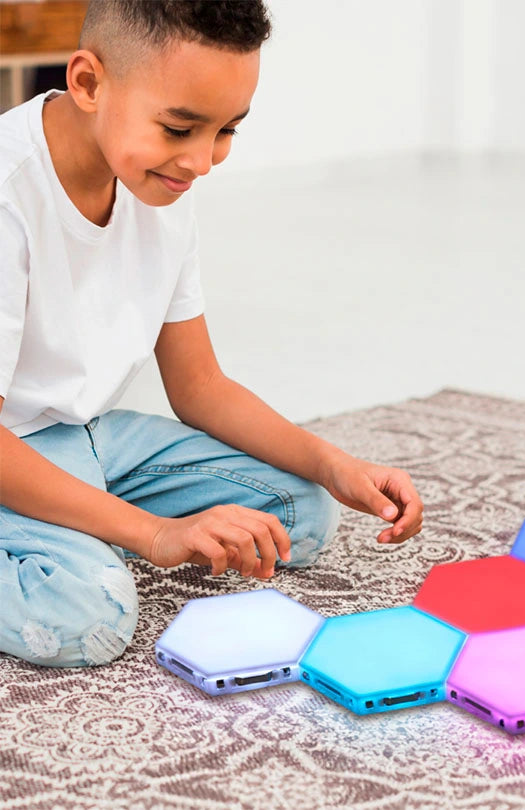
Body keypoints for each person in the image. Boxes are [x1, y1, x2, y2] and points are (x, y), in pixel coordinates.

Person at [0, 0, 423, 669]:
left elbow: (199, 385)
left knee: (300, 515)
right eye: (179, 128)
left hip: (85, 436)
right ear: (87, 83)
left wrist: (333, 464)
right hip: (8, 450)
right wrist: (155, 534)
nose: (201, 161)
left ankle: (86, 514)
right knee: (89, 615)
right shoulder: (8, 196)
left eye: (226, 130)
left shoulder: (159, 184)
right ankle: (84, 532)